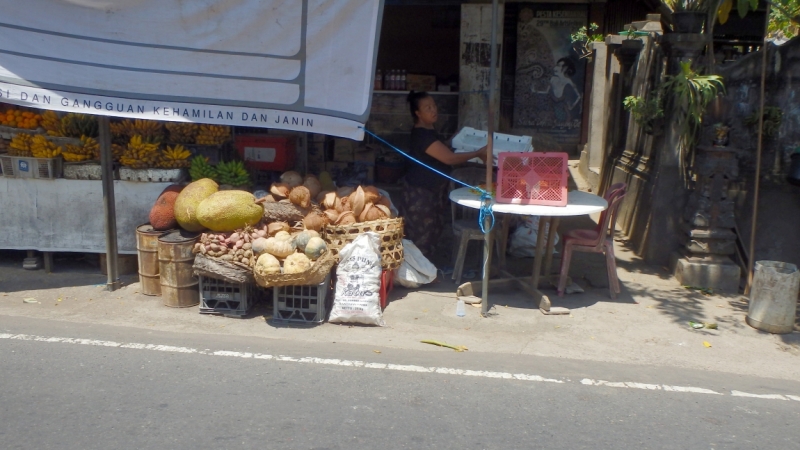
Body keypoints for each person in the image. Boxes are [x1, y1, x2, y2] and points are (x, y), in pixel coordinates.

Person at [400, 91, 487, 260]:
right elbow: (448, 158)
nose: (434, 110)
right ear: (417, 113)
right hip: (420, 195)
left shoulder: (429, 131)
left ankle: (427, 272)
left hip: (433, 193)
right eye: (428, 108)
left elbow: (442, 148)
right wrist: (478, 153)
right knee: (420, 239)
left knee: (432, 234)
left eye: (434, 106)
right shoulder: (422, 135)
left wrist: (457, 138)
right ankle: (418, 274)